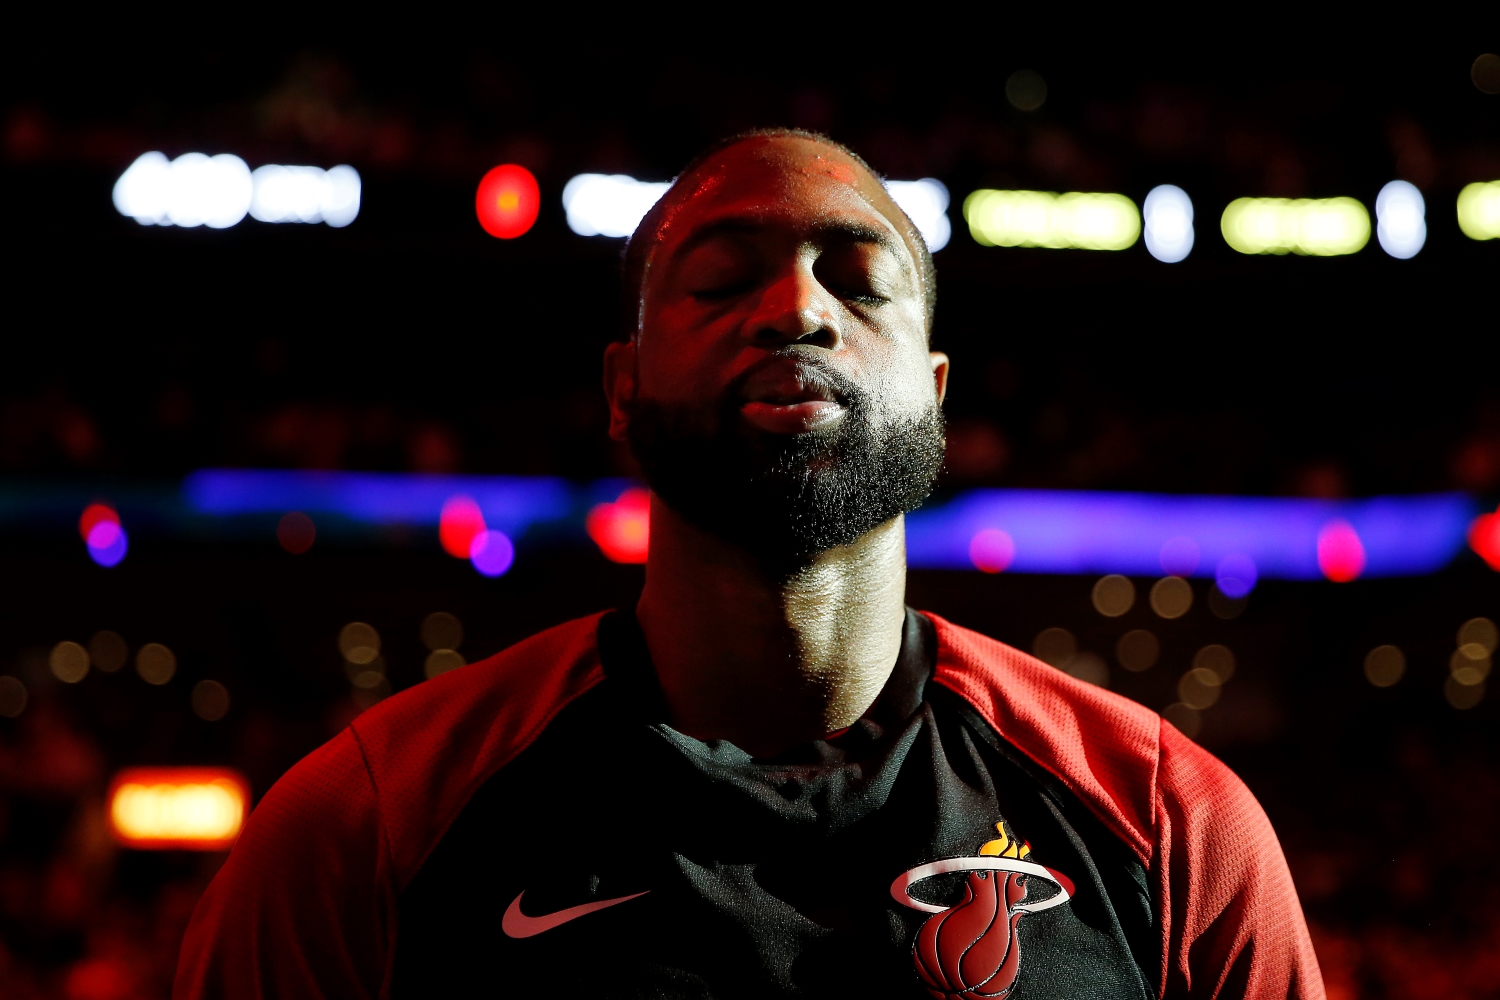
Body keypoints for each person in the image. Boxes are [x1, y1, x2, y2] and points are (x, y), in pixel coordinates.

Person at [175, 129, 1323, 1000]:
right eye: (724, 280)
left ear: (932, 396)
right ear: (622, 387)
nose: (796, 308)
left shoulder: (1174, 830)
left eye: (859, 282)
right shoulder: (365, 830)